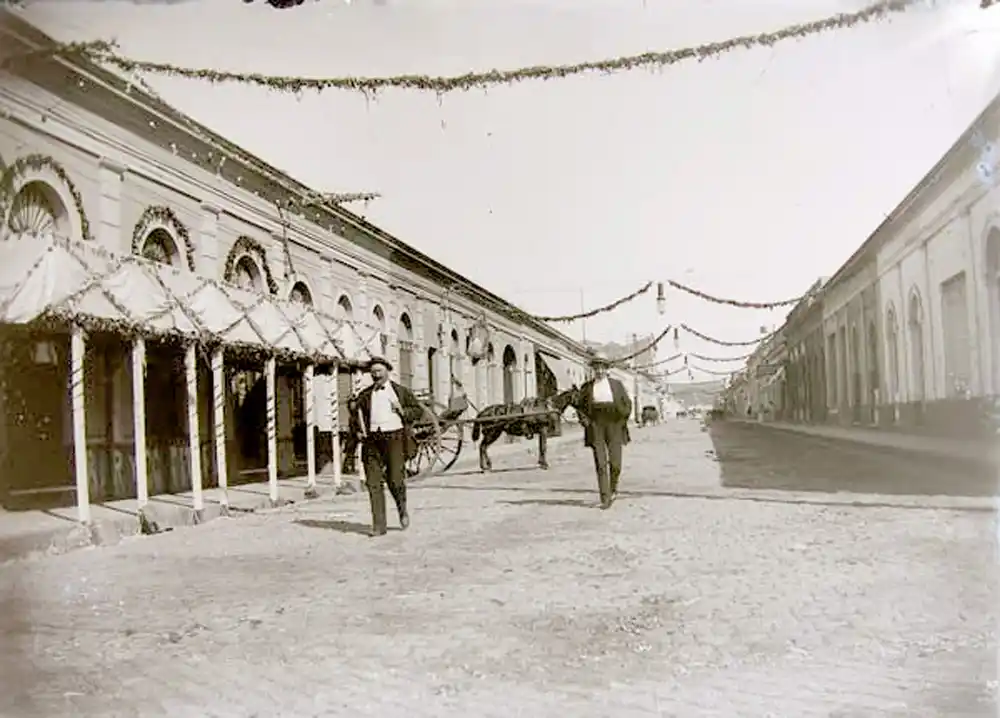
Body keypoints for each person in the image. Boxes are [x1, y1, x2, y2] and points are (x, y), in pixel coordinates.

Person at [350, 356, 427, 537]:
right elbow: (355, 417)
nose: (376, 375)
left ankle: (402, 508)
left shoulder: (400, 392)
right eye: (373, 372)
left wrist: (402, 411)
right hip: (371, 441)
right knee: (373, 483)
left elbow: (418, 411)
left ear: (387, 371)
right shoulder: (365, 395)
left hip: (395, 438)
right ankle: (379, 525)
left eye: (379, 371)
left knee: (395, 479)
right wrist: (357, 432)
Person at [576, 351, 632, 509]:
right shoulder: (587, 387)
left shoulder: (616, 385)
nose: (599, 371)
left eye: (602, 368)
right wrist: (586, 422)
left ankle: (613, 488)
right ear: (593, 369)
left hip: (614, 425)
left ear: (607, 369)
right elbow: (580, 408)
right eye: (596, 368)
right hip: (596, 426)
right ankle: (605, 498)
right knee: (601, 463)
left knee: (616, 464)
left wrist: (622, 419)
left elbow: (627, 404)